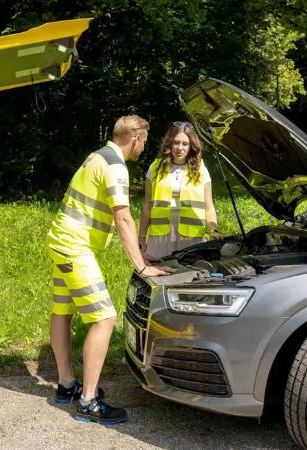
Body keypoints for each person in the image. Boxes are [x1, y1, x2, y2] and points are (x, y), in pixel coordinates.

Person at [45, 115, 174, 425]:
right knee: (105, 319)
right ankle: (88, 401)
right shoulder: (116, 166)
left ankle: (66, 386)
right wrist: (142, 265)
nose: (144, 147)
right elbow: (123, 218)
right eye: (144, 141)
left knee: (62, 311)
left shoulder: (97, 155)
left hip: (62, 241)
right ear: (134, 139)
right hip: (75, 247)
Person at [139, 121, 220, 262]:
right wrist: (141, 237)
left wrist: (213, 229)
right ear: (169, 144)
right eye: (176, 143)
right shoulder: (156, 167)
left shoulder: (201, 169)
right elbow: (147, 205)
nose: (180, 148)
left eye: (185, 144)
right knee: (158, 271)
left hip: (191, 236)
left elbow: (208, 206)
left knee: (189, 274)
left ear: (191, 146)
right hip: (160, 235)